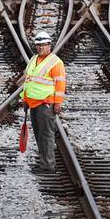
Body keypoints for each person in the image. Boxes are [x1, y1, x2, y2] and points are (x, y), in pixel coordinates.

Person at [20, 31, 66, 172]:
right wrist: (25, 99)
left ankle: (48, 165)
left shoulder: (55, 62)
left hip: (46, 103)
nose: (40, 48)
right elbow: (29, 80)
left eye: (43, 45)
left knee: (46, 134)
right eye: (38, 45)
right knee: (39, 133)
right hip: (33, 103)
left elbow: (60, 84)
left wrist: (57, 103)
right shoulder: (34, 59)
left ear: (49, 46)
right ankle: (44, 162)